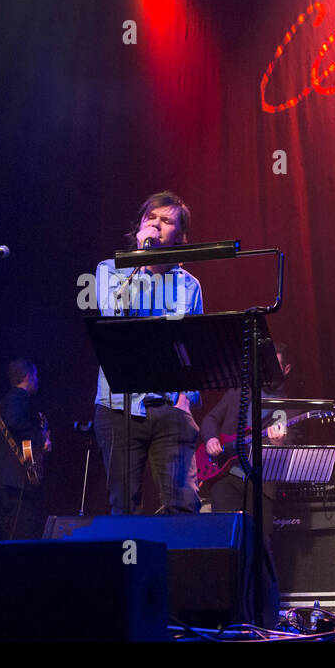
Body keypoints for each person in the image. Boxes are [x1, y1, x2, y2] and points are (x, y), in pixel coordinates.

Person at [93, 191, 204, 515]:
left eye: (166, 221)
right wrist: (140, 262)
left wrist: (186, 401)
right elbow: (113, 317)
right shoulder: (110, 270)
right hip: (118, 408)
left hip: (170, 408)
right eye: (150, 218)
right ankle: (132, 565)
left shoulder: (190, 286)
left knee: (184, 506)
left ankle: (178, 564)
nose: (155, 225)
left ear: (180, 237)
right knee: (124, 508)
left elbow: (193, 349)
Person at [199, 342, 293, 517]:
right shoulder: (238, 392)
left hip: (260, 485)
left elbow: (291, 449)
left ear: (286, 369)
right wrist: (211, 438)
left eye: (273, 365)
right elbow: (210, 418)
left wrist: (279, 443)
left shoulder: (290, 408)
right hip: (225, 477)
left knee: (260, 540)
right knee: (227, 535)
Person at [0, 359, 50, 539]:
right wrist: (41, 437)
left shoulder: (4, 401)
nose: (37, 379)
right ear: (28, 376)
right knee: (22, 533)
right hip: (14, 481)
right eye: (35, 375)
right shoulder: (18, 397)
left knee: (7, 535)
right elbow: (14, 422)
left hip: (1, 479)